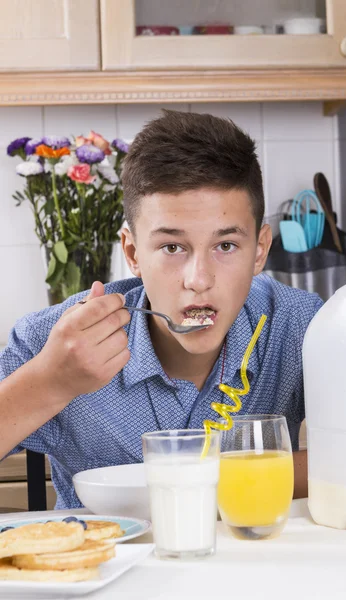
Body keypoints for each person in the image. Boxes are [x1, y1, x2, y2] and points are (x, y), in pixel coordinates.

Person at [0, 110, 322, 509]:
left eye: (225, 246)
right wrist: (49, 381)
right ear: (133, 253)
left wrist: (212, 481)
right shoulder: (55, 340)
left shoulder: (302, 327)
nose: (198, 279)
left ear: (259, 251)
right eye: (172, 247)